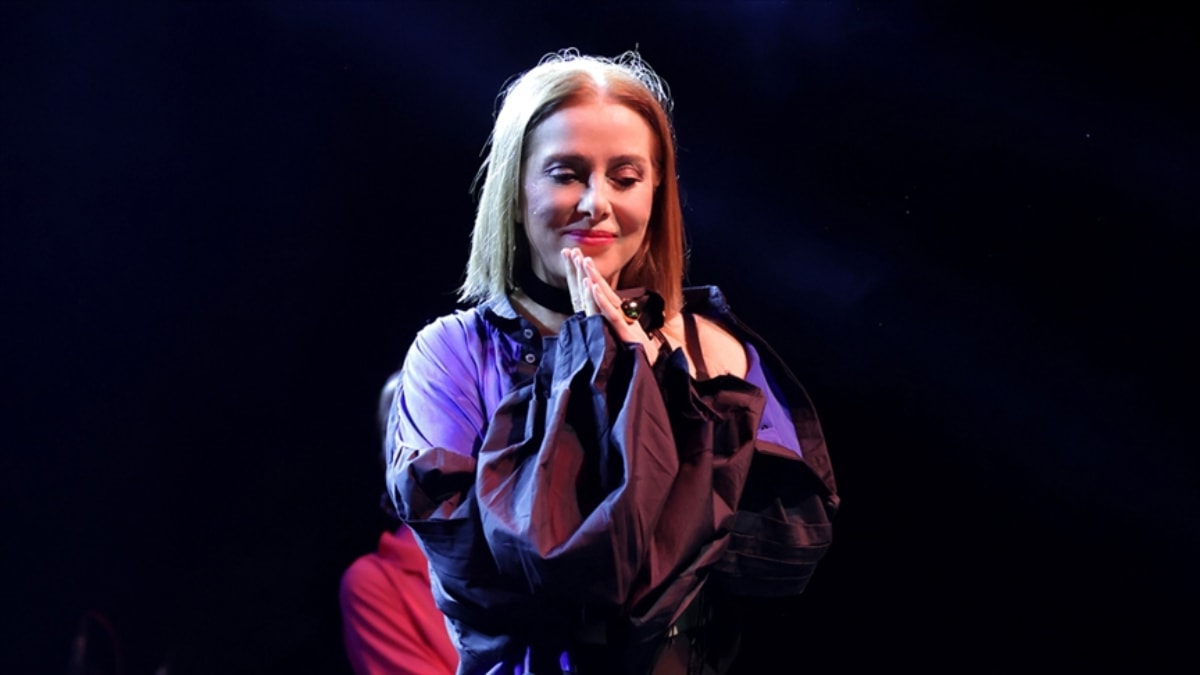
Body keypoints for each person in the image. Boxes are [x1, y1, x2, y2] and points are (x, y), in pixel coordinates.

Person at [385, 49, 838, 674]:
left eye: (625, 177)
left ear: (656, 193)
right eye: (566, 174)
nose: (596, 202)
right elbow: (490, 573)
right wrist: (603, 364)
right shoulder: (452, 355)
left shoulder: (714, 349)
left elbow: (785, 554)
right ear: (515, 191)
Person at [338, 373, 458, 675]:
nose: (429, 452)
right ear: (387, 465)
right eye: (405, 435)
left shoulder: (533, 540)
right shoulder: (378, 583)